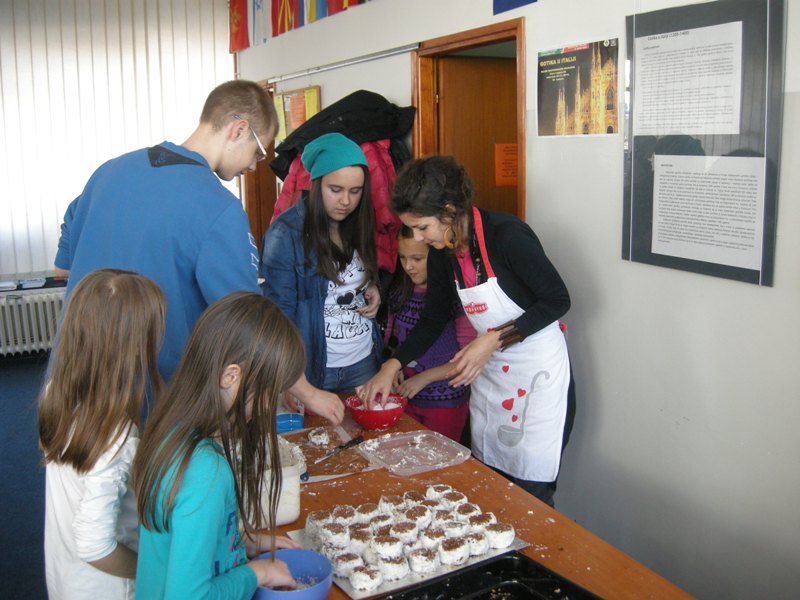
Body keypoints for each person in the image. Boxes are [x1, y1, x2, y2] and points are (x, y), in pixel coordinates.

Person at [55, 79, 343, 424]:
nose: (253, 166)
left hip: (74, 381)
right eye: (257, 152)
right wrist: (308, 393)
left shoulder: (109, 171)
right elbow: (250, 322)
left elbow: (64, 265)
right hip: (150, 398)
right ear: (238, 130)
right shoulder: (219, 209)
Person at [358, 156, 576, 507]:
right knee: (491, 487)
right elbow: (433, 319)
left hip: (538, 381)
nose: (418, 238)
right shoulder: (444, 252)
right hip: (494, 380)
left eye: (422, 227)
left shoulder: (507, 236)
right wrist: (391, 365)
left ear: (448, 211)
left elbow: (557, 300)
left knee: (529, 499)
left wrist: (494, 338)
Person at [132, 293, 304, 598]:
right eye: (271, 391)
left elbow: (186, 540)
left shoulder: (173, 430)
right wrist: (258, 572)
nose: (271, 404)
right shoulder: (205, 471)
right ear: (231, 376)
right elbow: (188, 596)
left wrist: (242, 542)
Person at [39, 269, 166, 600]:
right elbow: (94, 545)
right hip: (108, 588)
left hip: (66, 577)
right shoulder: (115, 435)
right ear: (132, 346)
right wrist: (149, 568)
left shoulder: (58, 393)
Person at [260, 132, 382, 393]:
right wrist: (292, 380)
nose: (346, 201)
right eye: (335, 190)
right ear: (316, 184)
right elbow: (279, 316)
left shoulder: (358, 222)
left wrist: (371, 286)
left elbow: (356, 275)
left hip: (364, 360)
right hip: (313, 368)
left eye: (355, 191)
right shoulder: (285, 234)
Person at [382, 225, 475, 441]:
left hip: (445, 403)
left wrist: (423, 379)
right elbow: (393, 341)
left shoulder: (456, 300)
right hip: (405, 399)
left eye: (417, 259)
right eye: (402, 257)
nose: (408, 266)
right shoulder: (399, 292)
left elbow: (468, 359)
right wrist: (393, 367)